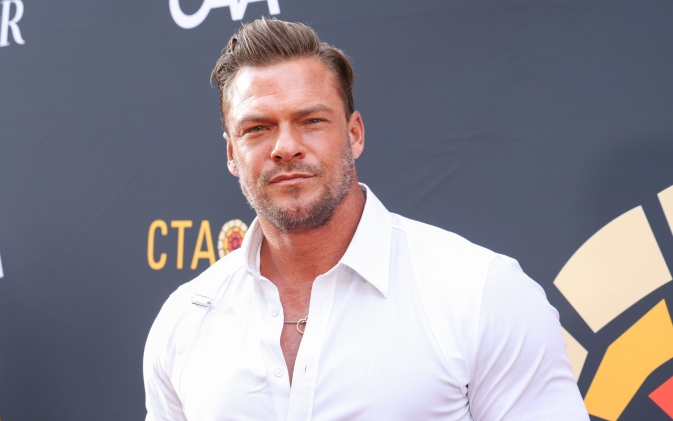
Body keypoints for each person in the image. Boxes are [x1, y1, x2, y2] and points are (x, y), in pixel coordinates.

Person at [143, 17, 588, 421]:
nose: (285, 147)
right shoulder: (184, 322)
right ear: (231, 153)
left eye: (311, 120)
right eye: (257, 128)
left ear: (354, 134)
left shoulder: (483, 295)